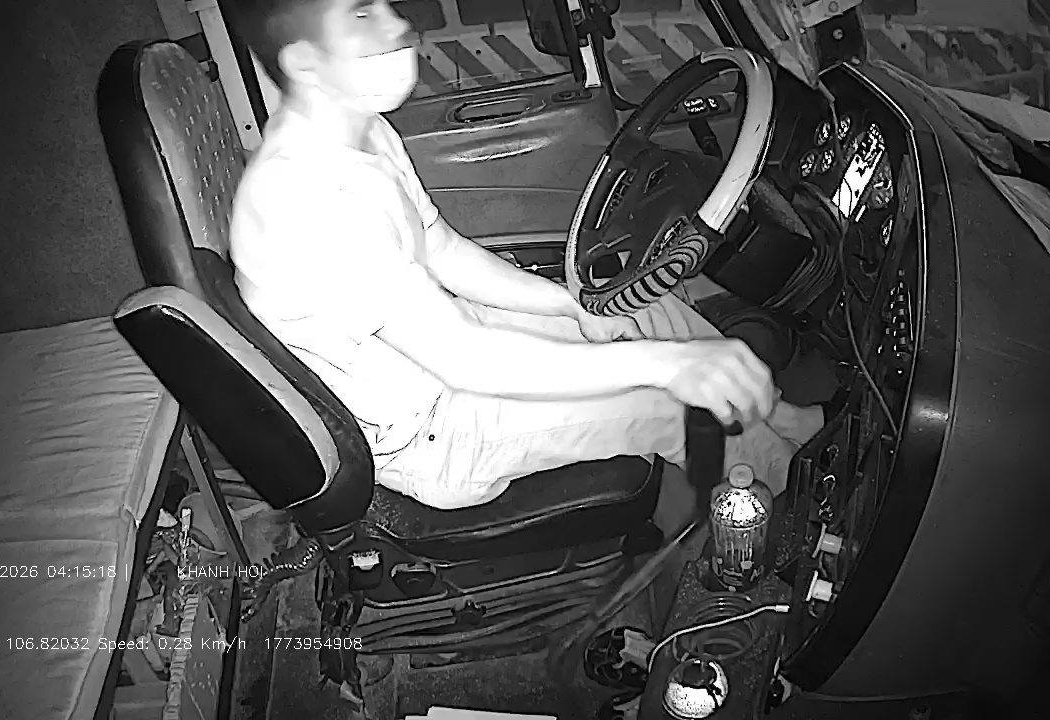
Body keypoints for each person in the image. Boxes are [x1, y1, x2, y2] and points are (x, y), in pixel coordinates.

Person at [226, 0, 823, 528]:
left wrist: (572, 303)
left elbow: (443, 250)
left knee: (649, 310)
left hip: (445, 354)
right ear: (305, 62)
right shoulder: (307, 201)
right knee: (672, 404)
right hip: (433, 433)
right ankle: (800, 501)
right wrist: (670, 367)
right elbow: (466, 359)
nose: (397, 22)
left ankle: (790, 426)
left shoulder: (362, 133)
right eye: (362, 13)